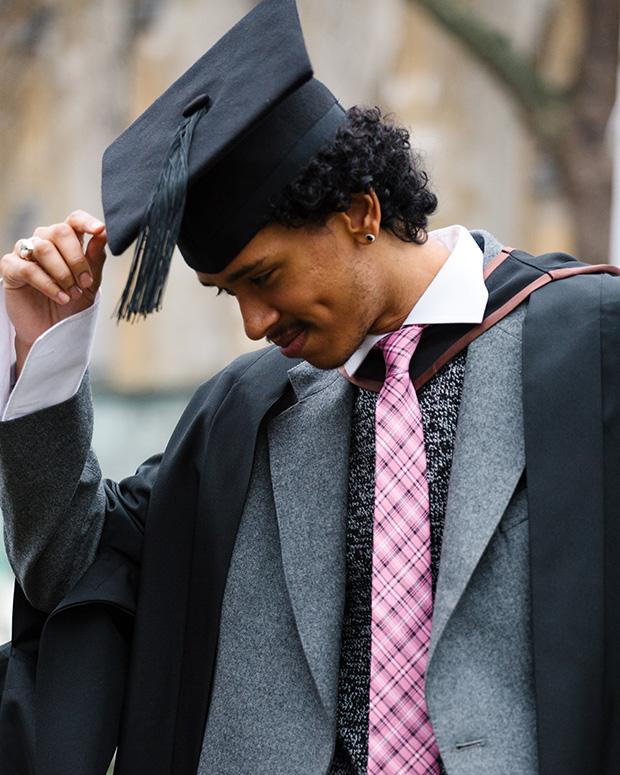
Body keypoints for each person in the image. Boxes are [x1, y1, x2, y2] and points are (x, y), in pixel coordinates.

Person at [2, 1, 620, 774]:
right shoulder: (245, 416)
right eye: (230, 293)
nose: (255, 323)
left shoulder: (590, 351)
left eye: (263, 278)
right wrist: (46, 355)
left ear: (361, 213)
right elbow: (75, 568)